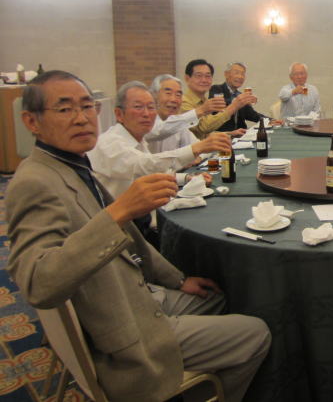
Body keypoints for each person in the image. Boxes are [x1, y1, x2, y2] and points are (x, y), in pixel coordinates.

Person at [6, 70, 270, 401]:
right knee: (256, 333)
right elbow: (38, 283)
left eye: (87, 107)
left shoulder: (73, 165)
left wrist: (178, 280)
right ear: (31, 121)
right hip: (123, 332)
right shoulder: (35, 180)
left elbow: (132, 240)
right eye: (64, 109)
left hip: (132, 292)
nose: (82, 118)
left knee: (220, 294)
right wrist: (118, 212)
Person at [88, 81, 231, 199]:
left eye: (151, 107)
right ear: (119, 114)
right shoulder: (109, 142)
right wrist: (196, 148)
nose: (146, 114)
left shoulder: (140, 139)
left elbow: (152, 174)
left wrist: (187, 177)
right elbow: (145, 166)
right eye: (138, 107)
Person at [180, 59, 250, 139]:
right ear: (187, 78)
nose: (204, 80)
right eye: (199, 76)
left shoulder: (204, 101)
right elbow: (204, 127)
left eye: (208, 76)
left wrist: (230, 134)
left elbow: (205, 134)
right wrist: (234, 106)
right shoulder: (183, 102)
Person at [146, 74, 202, 154]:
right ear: (154, 96)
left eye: (178, 95)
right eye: (168, 93)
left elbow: (198, 148)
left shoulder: (178, 124)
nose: (174, 99)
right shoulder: (145, 120)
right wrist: (200, 111)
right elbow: (160, 130)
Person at [209, 62, 271, 131]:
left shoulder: (240, 95)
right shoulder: (216, 89)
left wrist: (270, 120)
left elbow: (253, 115)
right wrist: (238, 101)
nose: (240, 77)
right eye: (236, 73)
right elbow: (220, 105)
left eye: (243, 74)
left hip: (241, 134)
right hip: (223, 134)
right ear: (226, 74)